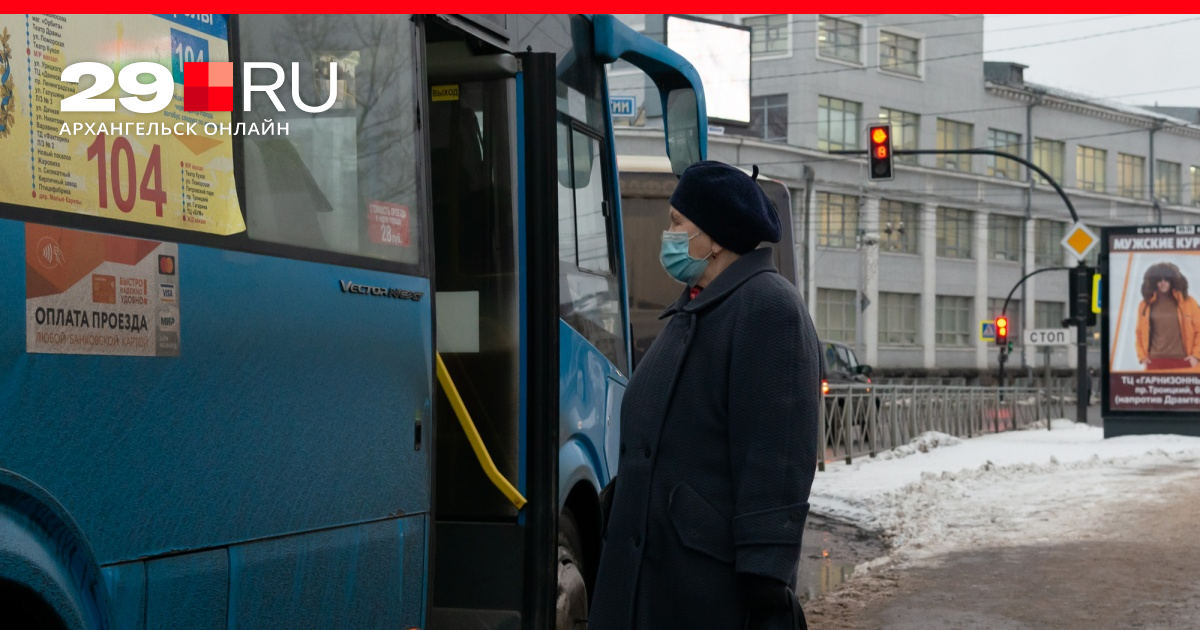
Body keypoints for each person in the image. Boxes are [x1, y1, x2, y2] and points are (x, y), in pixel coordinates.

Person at [589, 161, 821, 630]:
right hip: (655, 577)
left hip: (708, 591)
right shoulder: (695, 308)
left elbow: (776, 457)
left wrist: (766, 572)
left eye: (678, 223)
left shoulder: (768, 307)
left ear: (713, 237)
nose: (668, 233)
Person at [1135, 261, 1200, 371]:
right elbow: (1139, 333)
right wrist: (1142, 357)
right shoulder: (1145, 305)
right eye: (1159, 280)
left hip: (1183, 361)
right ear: (1153, 282)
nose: (1163, 282)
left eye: (1166, 279)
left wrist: (1196, 356)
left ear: (1173, 281)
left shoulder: (1189, 302)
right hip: (1154, 362)